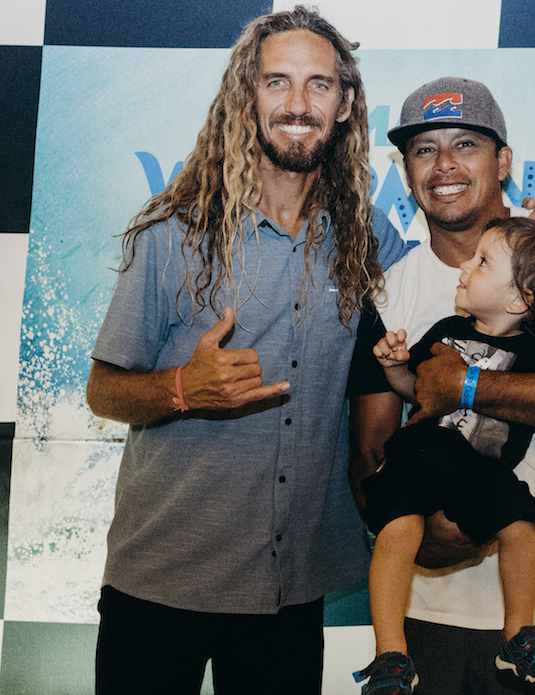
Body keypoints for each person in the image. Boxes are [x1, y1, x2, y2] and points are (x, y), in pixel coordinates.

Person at [84, 8, 406, 693]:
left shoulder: (370, 240)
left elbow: (460, 276)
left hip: (286, 594)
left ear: (345, 104)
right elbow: (103, 390)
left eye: (319, 85)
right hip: (160, 584)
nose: (297, 104)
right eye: (277, 82)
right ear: (247, 96)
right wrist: (181, 388)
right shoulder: (174, 235)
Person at [349, 77, 535, 695]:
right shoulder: (385, 290)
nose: (444, 164)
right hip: (427, 623)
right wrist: (421, 538)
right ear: (405, 172)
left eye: (466, 144)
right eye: (424, 149)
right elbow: (371, 455)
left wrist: (467, 386)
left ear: (504, 161)